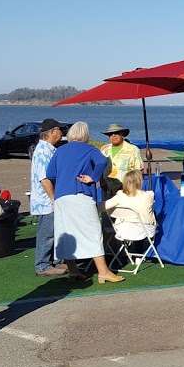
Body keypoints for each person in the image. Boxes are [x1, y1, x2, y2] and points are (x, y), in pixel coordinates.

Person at [43, 121, 124, 284]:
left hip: (62, 196)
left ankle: (73, 270)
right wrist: (92, 177)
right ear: (86, 135)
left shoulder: (60, 151)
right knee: (93, 231)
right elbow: (102, 161)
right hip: (81, 194)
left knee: (66, 232)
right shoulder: (90, 149)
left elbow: (50, 173)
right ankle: (103, 271)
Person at [30, 118, 67, 277]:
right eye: (59, 130)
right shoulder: (43, 151)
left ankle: (55, 260)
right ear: (52, 132)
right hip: (47, 201)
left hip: (49, 199)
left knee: (54, 231)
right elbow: (44, 178)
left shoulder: (49, 149)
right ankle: (42, 265)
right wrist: (54, 198)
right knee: (47, 233)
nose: (62, 133)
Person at [99, 124, 143, 200]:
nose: (113, 136)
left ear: (122, 134)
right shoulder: (104, 149)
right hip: (106, 188)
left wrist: (133, 188)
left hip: (125, 188)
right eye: (110, 134)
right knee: (108, 210)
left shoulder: (133, 149)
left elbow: (138, 170)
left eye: (116, 133)